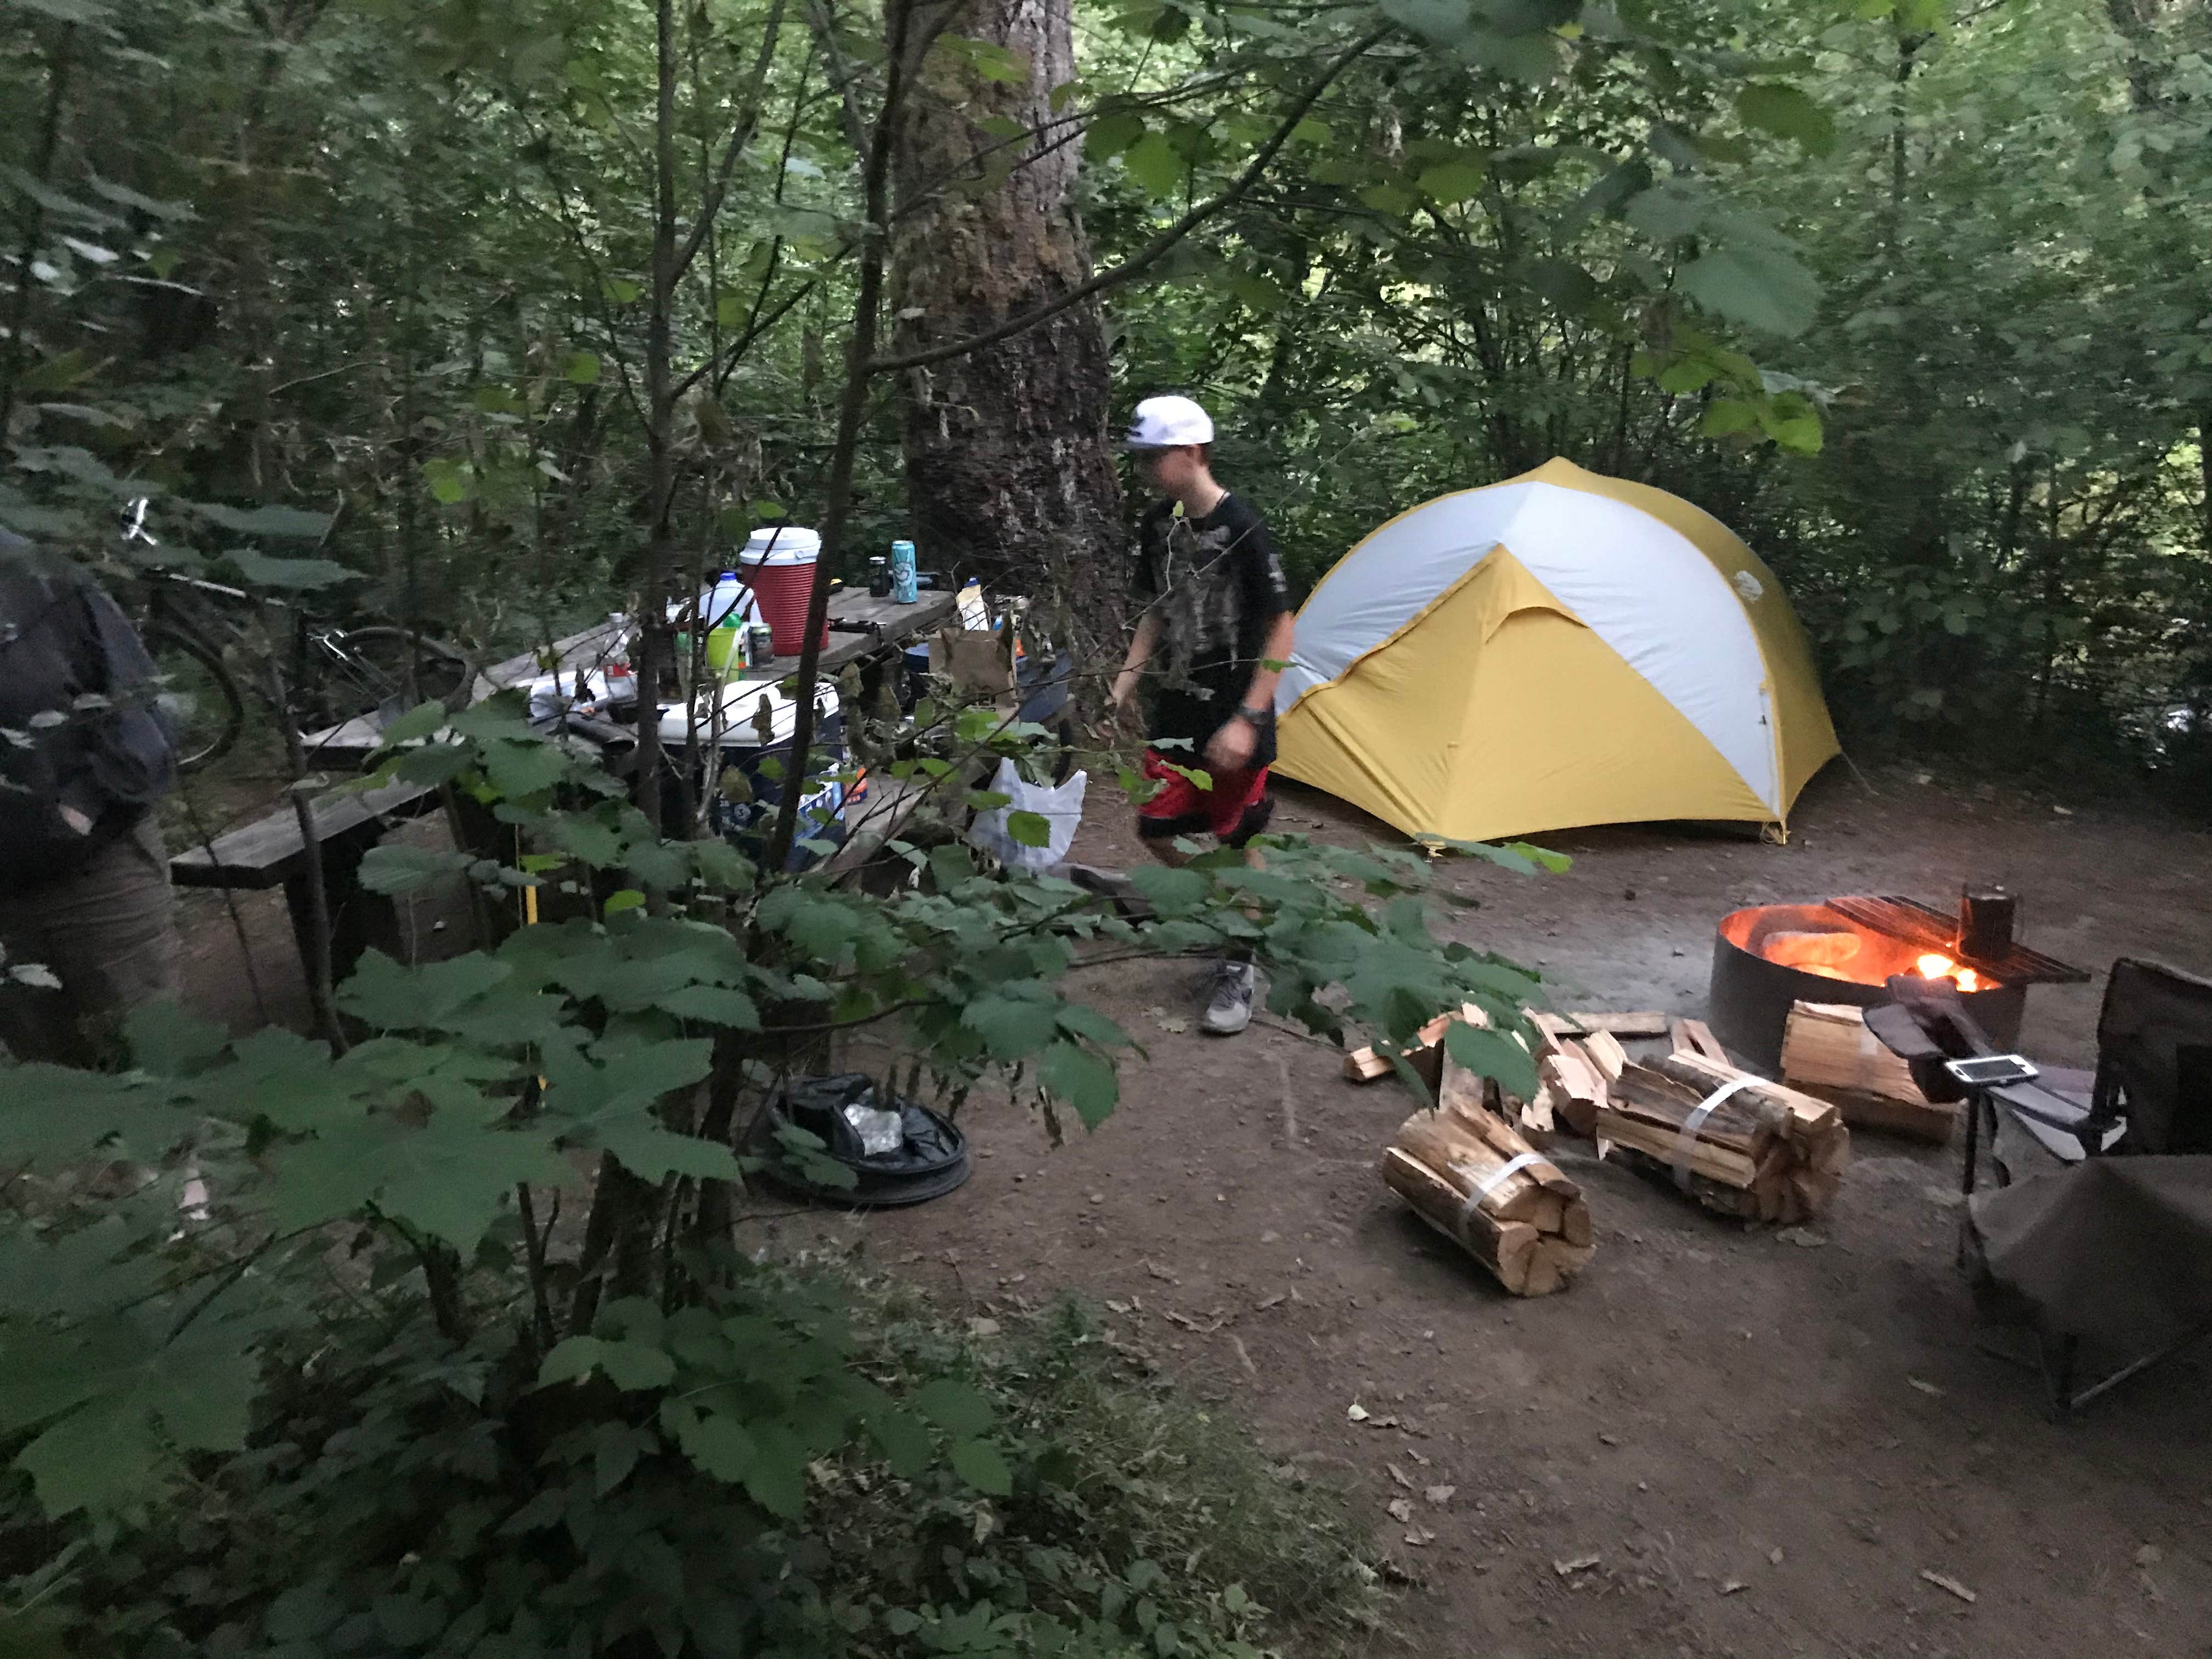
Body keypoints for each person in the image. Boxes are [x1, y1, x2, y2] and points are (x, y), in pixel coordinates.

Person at [1109, 394, 1296, 1037]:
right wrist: (1125, 681)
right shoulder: (1159, 525)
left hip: (1234, 708)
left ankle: (1240, 961)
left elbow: (1282, 626)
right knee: (1155, 829)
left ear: (1189, 453)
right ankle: (1231, 917)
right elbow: (1156, 610)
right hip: (1177, 706)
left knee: (1236, 839)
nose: (1142, 471)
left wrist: (1248, 716)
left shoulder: (1242, 524)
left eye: (1151, 458)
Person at [0, 526, 180, 1068]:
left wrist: (84, 804)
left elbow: (139, 701)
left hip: (96, 879)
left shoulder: (32, 574)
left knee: (154, 1088)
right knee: (65, 1103)